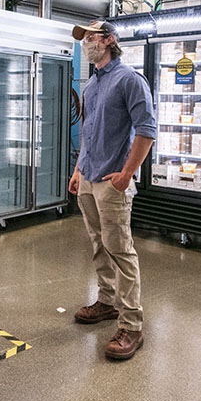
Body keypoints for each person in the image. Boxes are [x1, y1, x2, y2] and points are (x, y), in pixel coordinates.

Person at [68, 20, 156, 361]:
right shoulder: (92, 85)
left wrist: (126, 174)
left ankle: (132, 325)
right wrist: (78, 171)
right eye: (83, 39)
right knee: (98, 244)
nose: (86, 43)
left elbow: (146, 130)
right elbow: (88, 134)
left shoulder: (130, 80)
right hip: (89, 178)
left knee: (120, 249)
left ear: (109, 40)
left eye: (90, 37)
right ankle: (106, 301)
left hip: (112, 182)